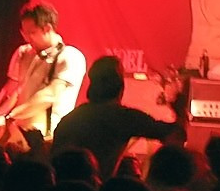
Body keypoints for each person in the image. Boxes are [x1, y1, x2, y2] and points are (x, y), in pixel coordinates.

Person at [51, 55, 185, 179]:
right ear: (120, 86)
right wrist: (180, 110)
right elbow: (174, 135)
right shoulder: (123, 117)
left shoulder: (71, 118)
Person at [0, 1, 87, 151]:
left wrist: (8, 117)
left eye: (32, 33)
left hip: (47, 140)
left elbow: (49, 95)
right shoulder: (26, 53)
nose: (27, 38)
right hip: (18, 137)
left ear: (47, 28)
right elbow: (14, 90)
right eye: (24, 33)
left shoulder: (70, 56)